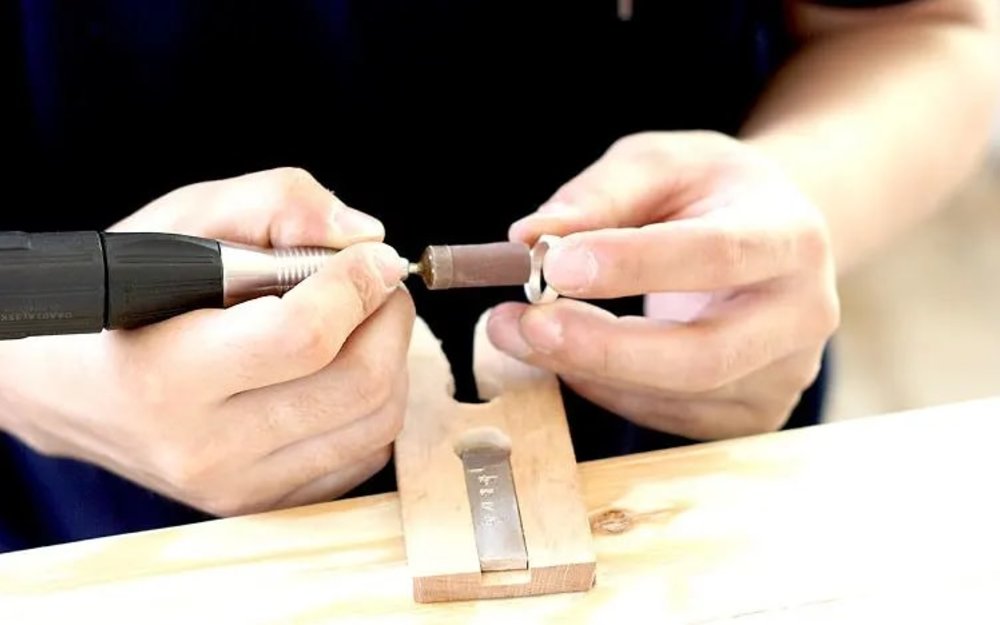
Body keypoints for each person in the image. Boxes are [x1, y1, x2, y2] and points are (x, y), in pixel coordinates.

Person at [1, 1, 997, 552]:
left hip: (679, 513)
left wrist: (794, 196)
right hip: (113, 540)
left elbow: (928, 27)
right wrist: (30, 377)